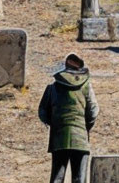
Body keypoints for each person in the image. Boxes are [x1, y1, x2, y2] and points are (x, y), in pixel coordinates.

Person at [38, 52, 99, 183]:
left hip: (59, 138)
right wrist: (85, 126)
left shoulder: (52, 87)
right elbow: (93, 110)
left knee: (57, 178)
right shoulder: (86, 87)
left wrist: (55, 123)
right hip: (81, 139)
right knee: (79, 179)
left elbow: (42, 112)